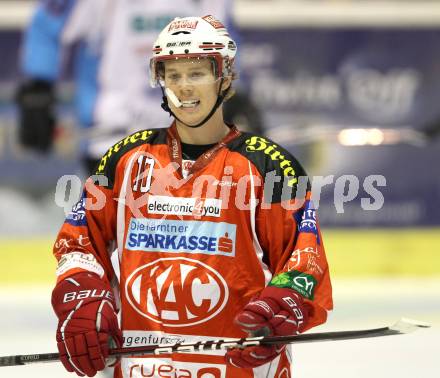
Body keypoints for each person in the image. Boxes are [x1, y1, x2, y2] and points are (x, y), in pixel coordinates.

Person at [51, 15, 333, 377]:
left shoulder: (269, 165)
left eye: (197, 73)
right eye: (173, 75)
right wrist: (83, 294)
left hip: (238, 367)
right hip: (140, 366)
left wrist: (287, 301)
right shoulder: (125, 158)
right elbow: (79, 242)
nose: (183, 87)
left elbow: (304, 256)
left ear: (225, 77)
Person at [16, 0, 264, 175]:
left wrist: (232, 95)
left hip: (189, 140)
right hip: (111, 140)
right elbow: (47, 27)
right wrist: (38, 89)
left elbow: (225, 43)